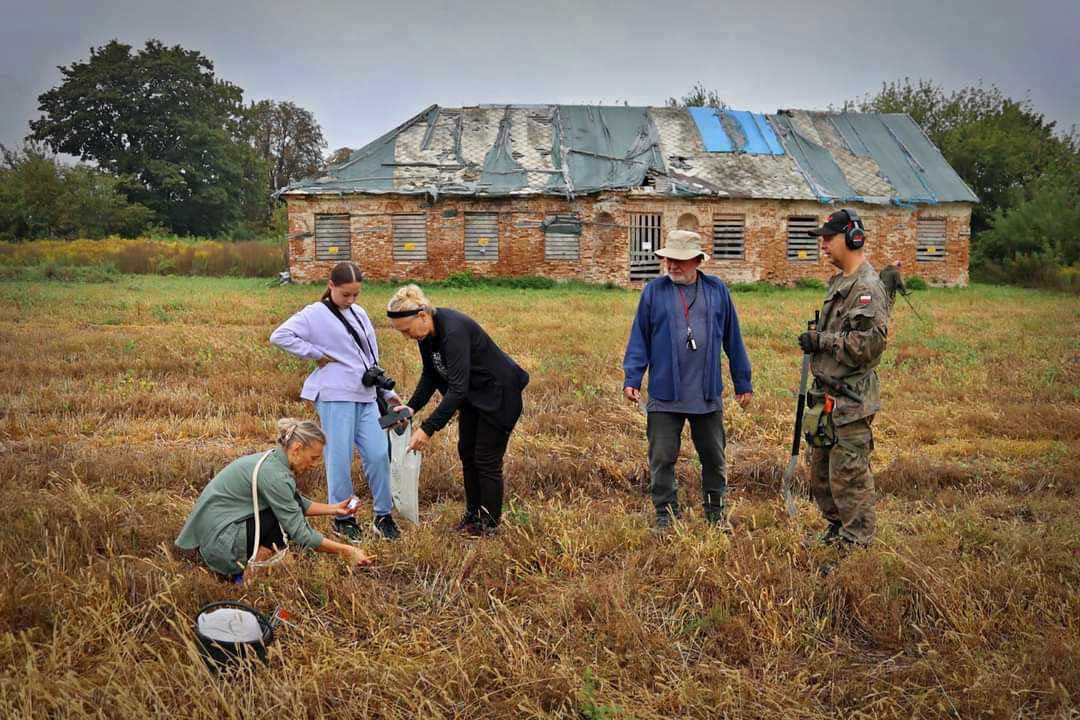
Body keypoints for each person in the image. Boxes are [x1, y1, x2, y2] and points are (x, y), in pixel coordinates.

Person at [622, 230, 753, 532]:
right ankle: (665, 517)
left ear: (697, 261)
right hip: (664, 393)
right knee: (662, 458)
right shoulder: (654, 291)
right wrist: (633, 376)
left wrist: (742, 381)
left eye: (679, 260)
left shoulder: (717, 290)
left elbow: (733, 338)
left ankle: (715, 515)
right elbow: (640, 337)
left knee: (714, 458)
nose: (672, 265)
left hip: (706, 394)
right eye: (669, 259)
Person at [270, 261, 402, 542]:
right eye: (345, 294)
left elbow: (370, 358)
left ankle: (383, 516)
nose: (351, 300)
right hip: (335, 395)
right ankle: (344, 518)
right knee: (339, 459)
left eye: (356, 294)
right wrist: (315, 354)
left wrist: (386, 393)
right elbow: (279, 336)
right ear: (331, 286)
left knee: (379, 454)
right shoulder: (315, 313)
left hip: (366, 395)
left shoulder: (359, 313)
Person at [386, 284, 529, 536]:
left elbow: (458, 389)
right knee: (467, 453)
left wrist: (427, 429)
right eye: (402, 333)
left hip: (499, 395)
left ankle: (489, 525)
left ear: (422, 315)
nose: (407, 336)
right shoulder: (426, 335)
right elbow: (431, 375)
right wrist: (411, 408)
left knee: (486, 459)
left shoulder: (453, 331)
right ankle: (473, 516)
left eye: (407, 330)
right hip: (474, 398)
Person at [175, 418, 373, 582]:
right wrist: (347, 551)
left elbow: (293, 502)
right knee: (281, 522)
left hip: (217, 533)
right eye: (313, 458)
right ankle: (245, 576)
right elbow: (301, 534)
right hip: (220, 543)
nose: (315, 465)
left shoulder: (273, 460)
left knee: (280, 515)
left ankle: (253, 567)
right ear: (296, 449)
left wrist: (334, 509)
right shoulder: (275, 476)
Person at [800, 209, 889, 547]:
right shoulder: (839, 282)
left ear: (852, 238)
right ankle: (837, 531)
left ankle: (857, 543)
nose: (822, 245)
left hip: (850, 401)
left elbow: (866, 347)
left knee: (849, 476)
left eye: (828, 238)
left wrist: (820, 341)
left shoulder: (867, 288)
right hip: (826, 397)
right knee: (823, 474)